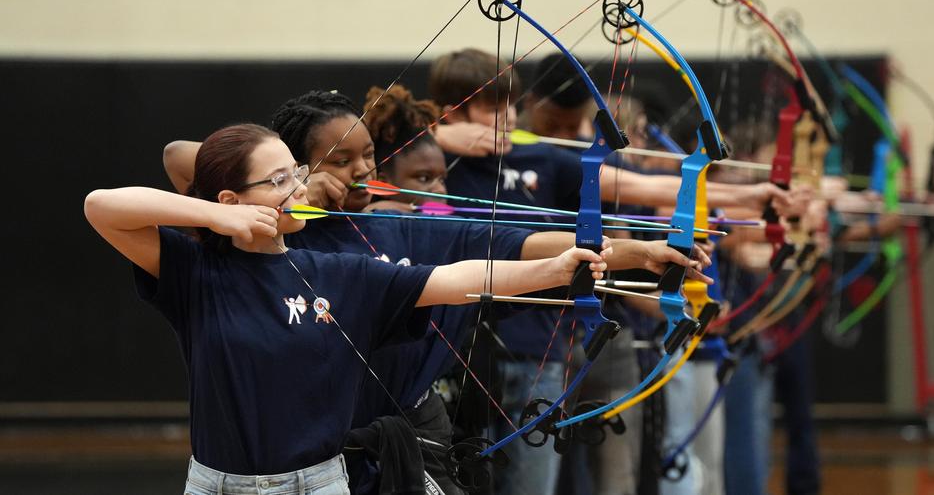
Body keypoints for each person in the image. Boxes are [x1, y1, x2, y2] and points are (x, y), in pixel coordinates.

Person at [85, 123, 611, 495]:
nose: (297, 188)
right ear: (230, 200)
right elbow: (101, 206)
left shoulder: (340, 271)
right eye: (277, 181)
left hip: (320, 484)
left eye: (295, 173)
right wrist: (219, 221)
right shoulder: (196, 273)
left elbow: (458, 279)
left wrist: (559, 269)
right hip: (217, 486)